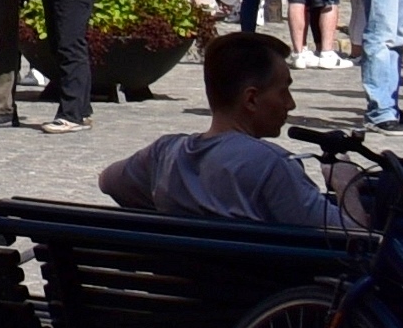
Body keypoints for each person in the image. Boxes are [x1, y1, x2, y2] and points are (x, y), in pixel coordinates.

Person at [96, 29, 338, 227]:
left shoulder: (164, 154)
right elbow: (354, 235)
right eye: (283, 90)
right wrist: (344, 185)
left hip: (180, 283)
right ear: (251, 99)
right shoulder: (271, 165)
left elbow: (108, 181)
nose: (291, 103)